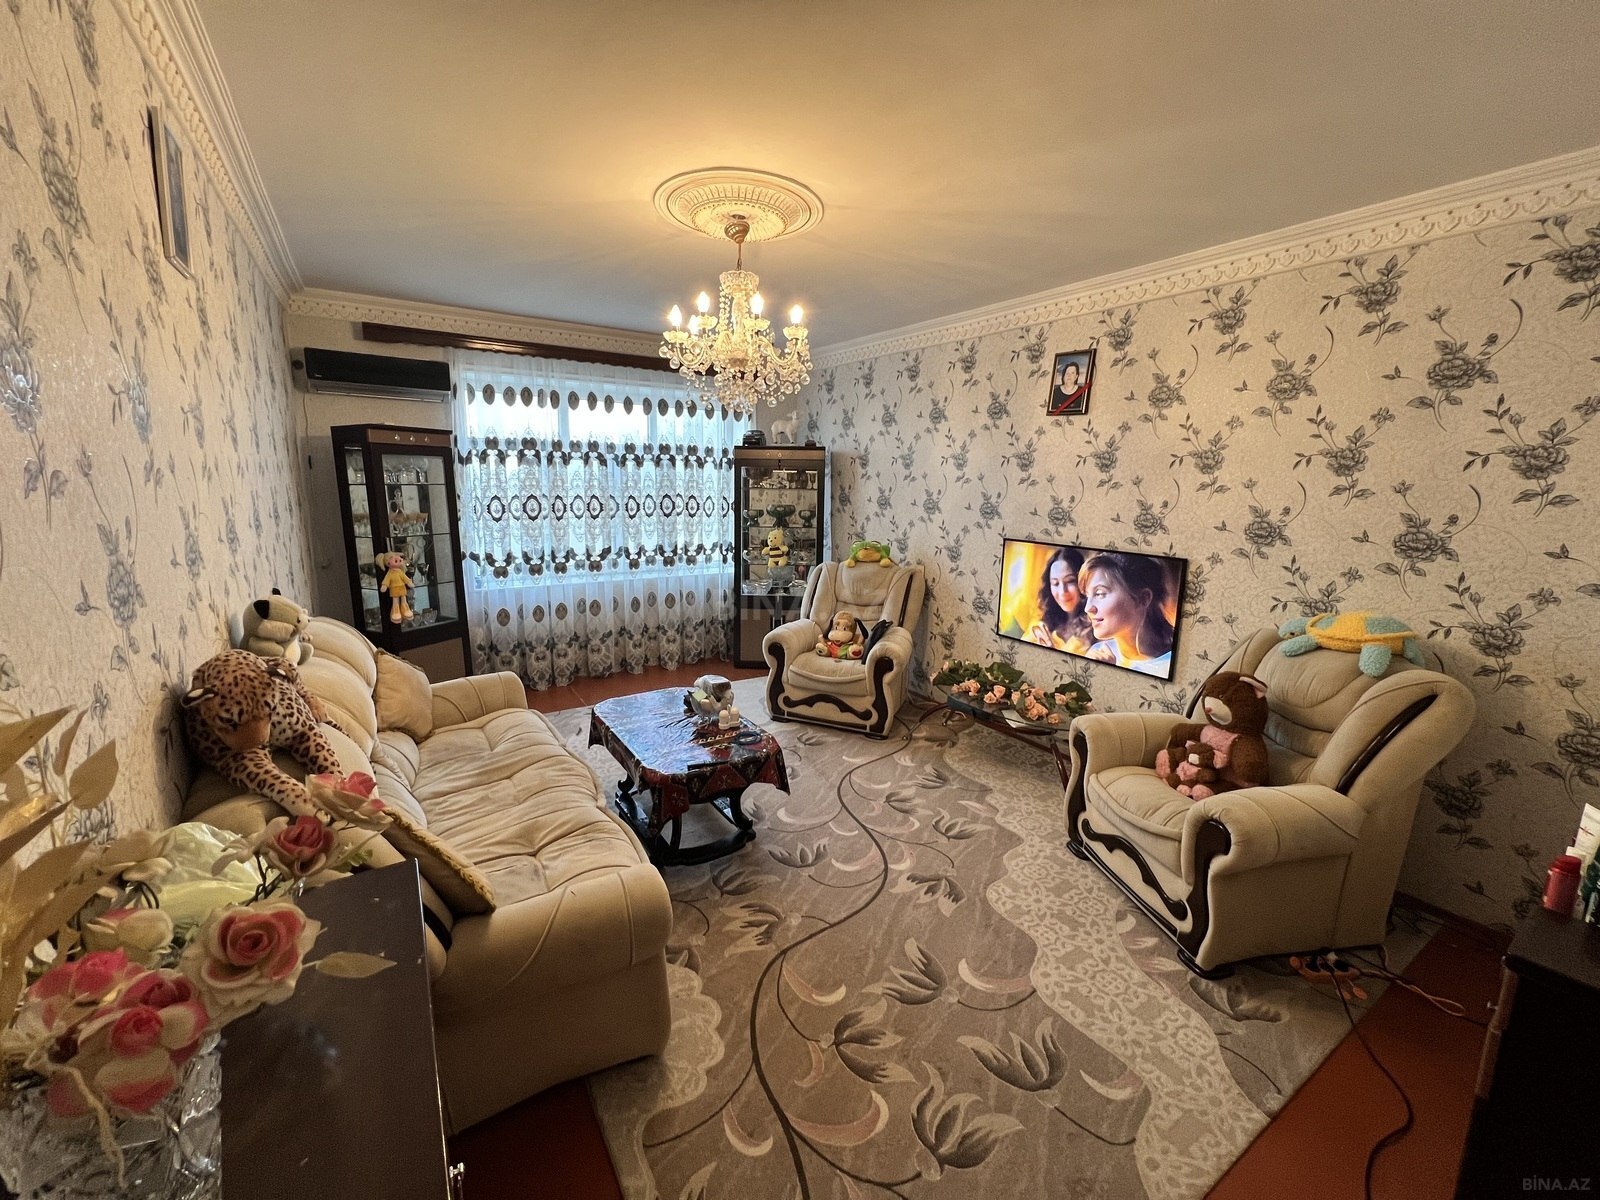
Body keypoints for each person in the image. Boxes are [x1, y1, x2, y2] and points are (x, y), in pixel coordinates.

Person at [1078, 551, 1176, 676]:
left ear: (1143, 598)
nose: (1088, 608)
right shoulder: (1099, 652)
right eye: (1088, 596)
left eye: (1100, 594)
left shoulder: (1169, 665)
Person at [1025, 546, 1092, 653]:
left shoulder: (1096, 627)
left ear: (1083, 581)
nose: (1062, 592)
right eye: (1055, 583)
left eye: (1070, 581)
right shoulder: (1040, 627)